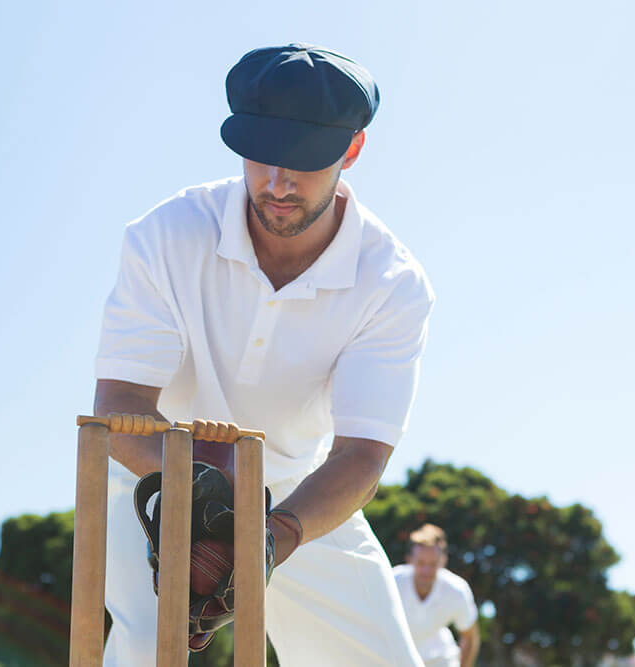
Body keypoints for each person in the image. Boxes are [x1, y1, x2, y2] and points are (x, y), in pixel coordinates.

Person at [93, 43, 434, 666]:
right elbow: (120, 404)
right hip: (156, 479)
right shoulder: (166, 234)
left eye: (301, 162)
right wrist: (197, 496)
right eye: (260, 157)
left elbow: (361, 454)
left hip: (295, 496)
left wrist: (273, 534)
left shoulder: (391, 282)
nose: (277, 183)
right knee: (150, 647)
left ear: (351, 151)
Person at [393, 524, 480, 667]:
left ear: (443, 561)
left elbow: (469, 636)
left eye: (433, 564)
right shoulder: (393, 581)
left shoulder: (457, 590)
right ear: (409, 559)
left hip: (441, 660)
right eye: (421, 563)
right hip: (397, 658)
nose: (426, 570)